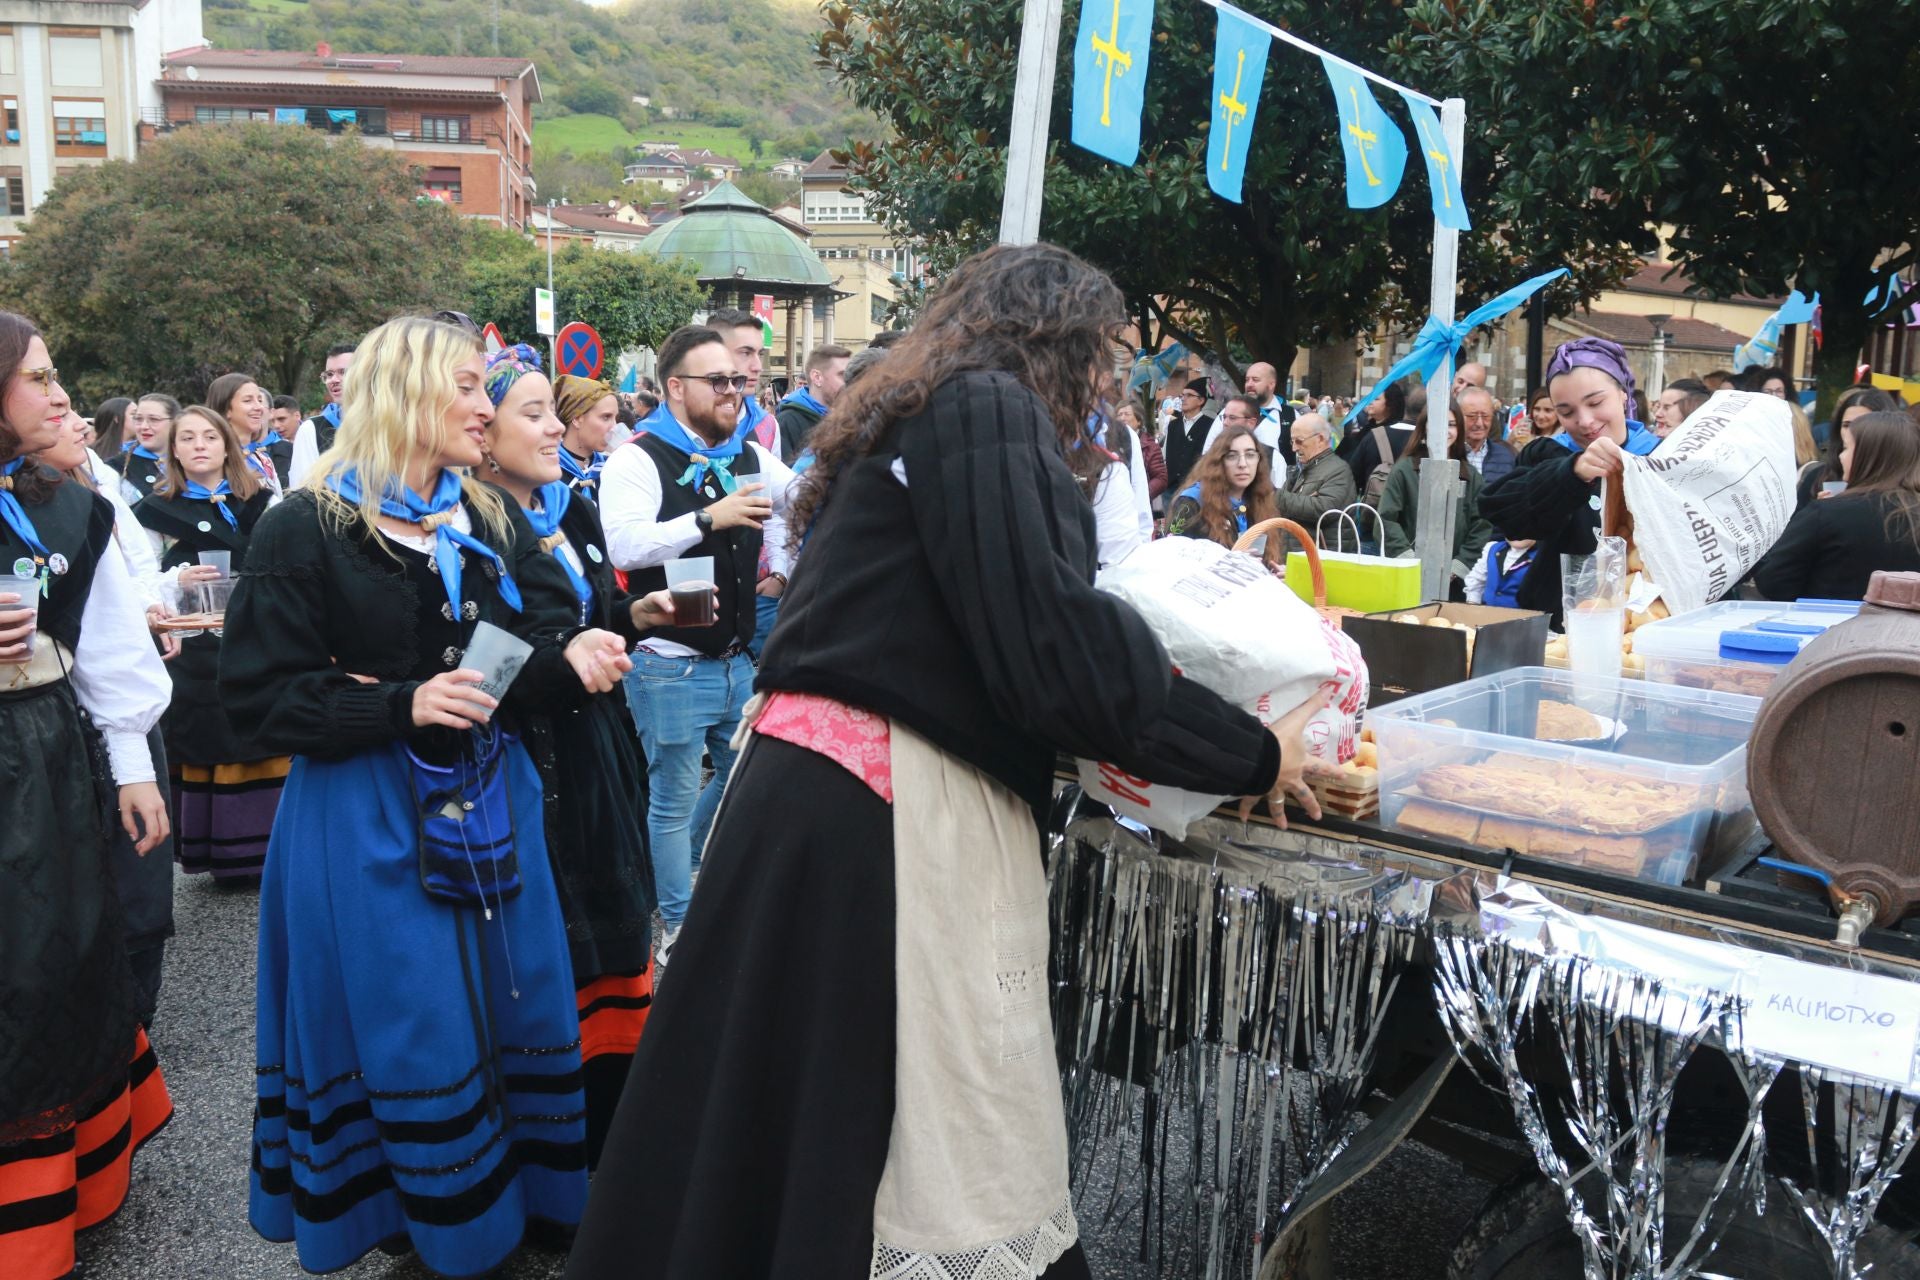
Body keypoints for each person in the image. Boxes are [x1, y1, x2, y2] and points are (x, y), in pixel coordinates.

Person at [564, 240, 1313, 1280]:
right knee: (894, 1127)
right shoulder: (987, 409)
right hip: (881, 807)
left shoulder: (927, 407)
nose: (1105, 379)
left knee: (776, 1123)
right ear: (1054, 338)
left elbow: (1019, 623)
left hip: (813, 788)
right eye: (1100, 352)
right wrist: (1252, 749)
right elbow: (1051, 646)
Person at [222, 317, 634, 1278]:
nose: (484, 407)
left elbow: (522, 646)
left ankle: (514, 1206)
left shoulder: (485, 518)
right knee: (416, 1023)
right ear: (405, 392)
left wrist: (570, 657)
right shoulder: (306, 525)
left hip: (494, 794)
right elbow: (257, 697)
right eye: (466, 386)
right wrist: (401, 704)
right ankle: (427, 1224)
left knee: (512, 1006)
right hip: (366, 812)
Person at [0, 315, 174, 1280]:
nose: (61, 395)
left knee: (56, 957)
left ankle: (65, 1193)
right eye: (36, 378)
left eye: (58, 374)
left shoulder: (69, 504)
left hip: (42, 756)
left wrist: (133, 763)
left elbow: (106, 642)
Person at [480, 343, 681, 1165]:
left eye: (551, 410)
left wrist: (640, 617)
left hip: (596, 741)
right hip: (534, 757)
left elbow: (588, 618)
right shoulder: (467, 524)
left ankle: (613, 1127)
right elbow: (475, 663)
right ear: (480, 433)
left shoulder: (567, 506)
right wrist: (560, 666)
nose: (555, 427)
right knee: (561, 936)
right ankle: (558, 1148)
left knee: (613, 919)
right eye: (531, 413)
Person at [598, 324, 796, 964]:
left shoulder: (747, 454)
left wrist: (784, 565)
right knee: (673, 799)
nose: (734, 390)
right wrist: (707, 519)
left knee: (741, 784)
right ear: (675, 388)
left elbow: (802, 497)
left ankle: (689, 878)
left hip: (736, 659)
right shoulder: (637, 455)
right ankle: (679, 928)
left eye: (739, 379)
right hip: (669, 666)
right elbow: (625, 545)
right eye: (719, 381)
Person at [46, 409, 181, 1026]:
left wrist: (154, 601)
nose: (76, 419)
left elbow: (129, 575)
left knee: (137, 876)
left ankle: (132, 1021)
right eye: (46, 390)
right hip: (49, 724)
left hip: (115, 715)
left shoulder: (92, 491)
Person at [135, 406, 286, 881]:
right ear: (174, 450)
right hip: (195, 644)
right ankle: (226, 853)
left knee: (265, 727)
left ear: (227, 444)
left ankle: (279, 847)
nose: (199, 445)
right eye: (187, 438)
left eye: (209, 437)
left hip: (259, 635)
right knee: (210, 735)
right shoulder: (154, 510)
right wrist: (176, 576)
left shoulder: (264, 502)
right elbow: (136, 580)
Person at [1480, 337, 1661, 626]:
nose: (1586, 421)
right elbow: (1503, 510)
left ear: (1624, 393)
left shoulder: (1663, 457)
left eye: (1596, 402)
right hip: (1562, 630)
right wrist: (1571, 473)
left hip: (1650, 628)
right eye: (1566, 412)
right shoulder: (1549, 454)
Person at [1755, 411, 1920, 600]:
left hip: (1830, 625)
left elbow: (1773, 581)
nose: (1841, 456)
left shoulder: (1827, 513)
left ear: (1867, 456)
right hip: (1909, 628)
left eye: (1847, 448)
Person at [1378, 400, 1493, 593]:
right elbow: (1386, 519)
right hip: (1408, 578)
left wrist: (1456, 568)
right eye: (1438, 423)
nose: (1444, 430)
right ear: (1424, 428)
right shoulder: (1404, 470)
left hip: (1453, 584)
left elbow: (1481, 526)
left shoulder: (1472, 477)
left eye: (1451, 424)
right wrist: (1410, 562)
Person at [1166, 420, 1279, 555]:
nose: (1243, 464)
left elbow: (1265, 556)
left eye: (1250, 455)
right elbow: (1174, 560)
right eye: (1232, 456)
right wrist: (1230, 561)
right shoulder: (1191, 502)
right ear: (1218, 462)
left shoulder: (1260, 499)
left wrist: (1274, 570)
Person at [1797, 387, 1898, 508]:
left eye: (1862, 425)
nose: (1852, 432)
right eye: (1846, 425)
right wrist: (1817, 511)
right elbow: (1795, 524)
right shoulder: (1817, 477)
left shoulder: (1901, 484)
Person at [1273, 412, 1357, 543]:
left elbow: (1324, 509)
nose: (1294, 448)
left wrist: (1274, 495)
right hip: (1300, 553)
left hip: (1321, 558)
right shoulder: (1301, 467)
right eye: (1292, 441)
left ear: (1320, 439)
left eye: (1299, 441)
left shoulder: (1339, 470)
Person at [206, 372, 288, 492]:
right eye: (248, 401)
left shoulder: (263, 459)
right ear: (226, 409)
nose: (259, 407)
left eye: (259, 400)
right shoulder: (212, 462)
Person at [287, 343, 354, 487]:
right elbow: (301, 489)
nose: (334, 380)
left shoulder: (386, 423)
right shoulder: (312, 430)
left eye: (343, 372)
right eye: (329, 374)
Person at [1337, 378, 1416, 498]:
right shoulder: (1365, 432)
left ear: (1390, 404)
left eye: (1377, 398)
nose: (1370, 401)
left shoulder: (1394, 432)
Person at [775, 343, 851, 461]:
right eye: (842, 375)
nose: (848, 381)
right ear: (817, 377)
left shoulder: (848, 419)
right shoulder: (787, 422)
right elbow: (786, 475)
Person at [554, 373, 619, 500]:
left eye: (615, 418)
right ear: (577, 419)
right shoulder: (548, 472)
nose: (614, 427)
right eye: (606, 417)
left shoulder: (610, 467)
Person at [109, 393, 178, 501]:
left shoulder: (189, 462)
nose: (144, 426)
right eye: (138, 419)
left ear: (174, 422)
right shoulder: (115, 466)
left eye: (154, 419)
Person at [1458, 385, 1516, 484]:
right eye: (1472, 416)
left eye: (1486, 416)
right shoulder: (1447, 454)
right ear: (1458, 415)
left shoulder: (1507, 457)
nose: (1480, 423)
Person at [1163, 378, 1214, 488]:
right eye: (1182, 395)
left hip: (1196, 487)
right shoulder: (1173, 425)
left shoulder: (1211, 426)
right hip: (1171, 487)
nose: (1183, 399)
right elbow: (1167, 455)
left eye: (1189, 395)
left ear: (1201, 401)